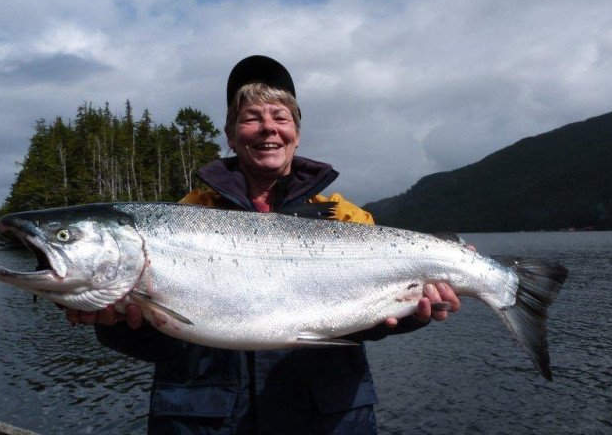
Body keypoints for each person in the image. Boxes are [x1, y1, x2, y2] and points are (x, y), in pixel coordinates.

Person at [66, 55, 461, 434]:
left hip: (326, 420)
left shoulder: (346, 219)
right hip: (202, 421)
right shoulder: (186, 218)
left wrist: (411, 314)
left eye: (280, 117)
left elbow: (366, 326)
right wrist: (120, 324)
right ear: (231, 136)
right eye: (250, 118)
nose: (267, 128)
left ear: (296, 133)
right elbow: (163, 341)